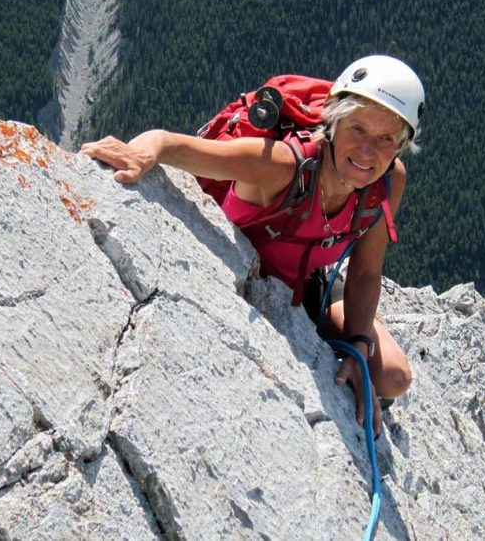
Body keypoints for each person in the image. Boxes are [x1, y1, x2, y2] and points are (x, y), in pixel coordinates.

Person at [80, 55, 425, 435]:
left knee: (393, 377)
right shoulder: (281, 166)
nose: (367, 151)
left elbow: (366, 269)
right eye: (357, 129)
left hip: (310, 282)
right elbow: (169, 144)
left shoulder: (388, 183)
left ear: (401, 145)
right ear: (333, 120)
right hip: (246, 284)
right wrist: (141, 153)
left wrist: (359, 343)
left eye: (386, 139)